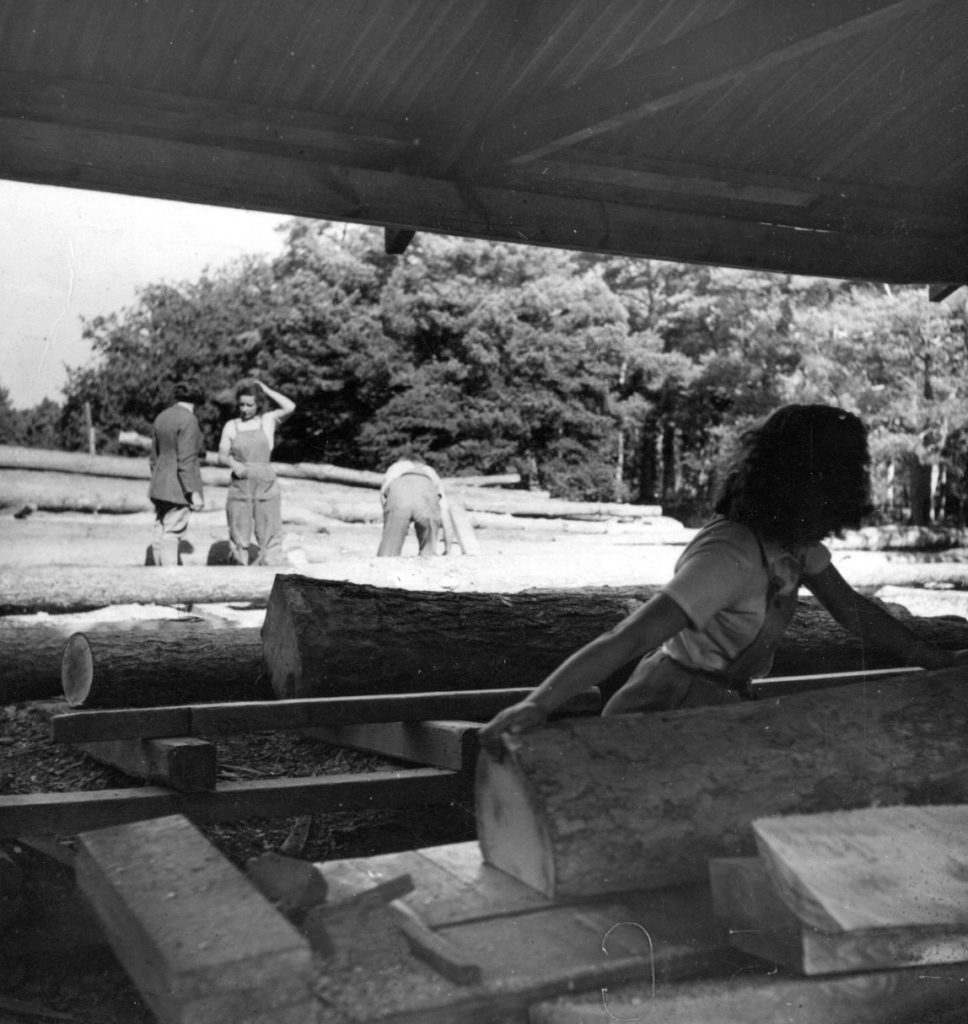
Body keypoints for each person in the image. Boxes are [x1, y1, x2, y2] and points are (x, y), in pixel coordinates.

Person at [479, 404, 968, 752]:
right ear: (814, 483)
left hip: (722, 702)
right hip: (662, 706)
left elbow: (852, 611)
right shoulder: (729, 553)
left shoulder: (795, 546)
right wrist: (538, 706)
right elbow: (628, 637)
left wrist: (935, 659)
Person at [218, 378, 296, 566]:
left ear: (258, 404)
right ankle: (240, 577)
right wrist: (233, 463)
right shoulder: (232, 425)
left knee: (270, 532)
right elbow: (221, 456)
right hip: (240, 484)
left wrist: (266, 388)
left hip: (266, 483)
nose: (244, 409)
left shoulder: (267, 420)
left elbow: (290, 406)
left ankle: (270, 577)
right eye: (241, 405)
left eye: (249, 405)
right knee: (239, 533)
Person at [148, 379, 206, 566]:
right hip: (178, 489)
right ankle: (170, 584)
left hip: (159, 487)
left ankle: (156, 579)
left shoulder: (161, 417)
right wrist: (192, 492)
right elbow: (186, 461)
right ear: (196, 401)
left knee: (160, 532)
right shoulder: (189, 420)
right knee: (172, 535)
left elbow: (153, 458)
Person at [376, 455, 456, 557]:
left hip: (399, 493)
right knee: (429, 553)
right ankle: (428, 553)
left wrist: (390, 525)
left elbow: (383, 496)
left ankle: (388, 555)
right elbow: (445, 512)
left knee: (387, 555)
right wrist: (448, 549)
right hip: (426, 491)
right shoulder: (430, 471)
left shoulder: (395, 467)